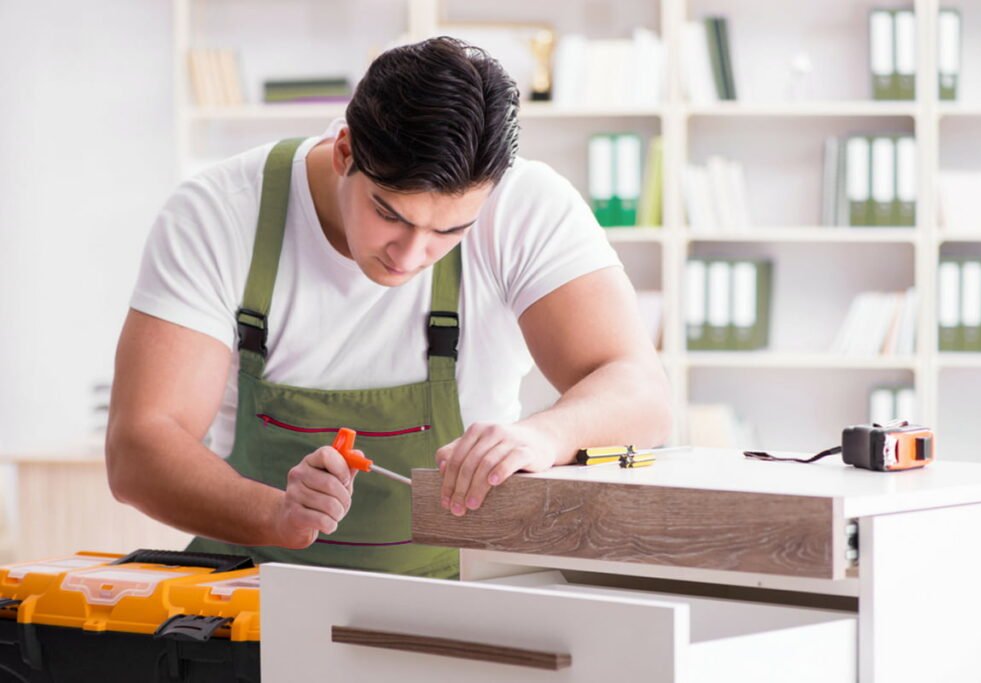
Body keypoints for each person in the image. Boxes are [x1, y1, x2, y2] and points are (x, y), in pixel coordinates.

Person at [106, 37, 671, 579]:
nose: (411, 254)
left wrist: (547, 435)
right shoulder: (219, 214)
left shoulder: (528, 206)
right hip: (252, 594)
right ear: (345, 151)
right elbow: (140, 448)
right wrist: (276, 514)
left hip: (455, 590)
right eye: (391, 214)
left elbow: (641, 390)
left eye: (450, 230)